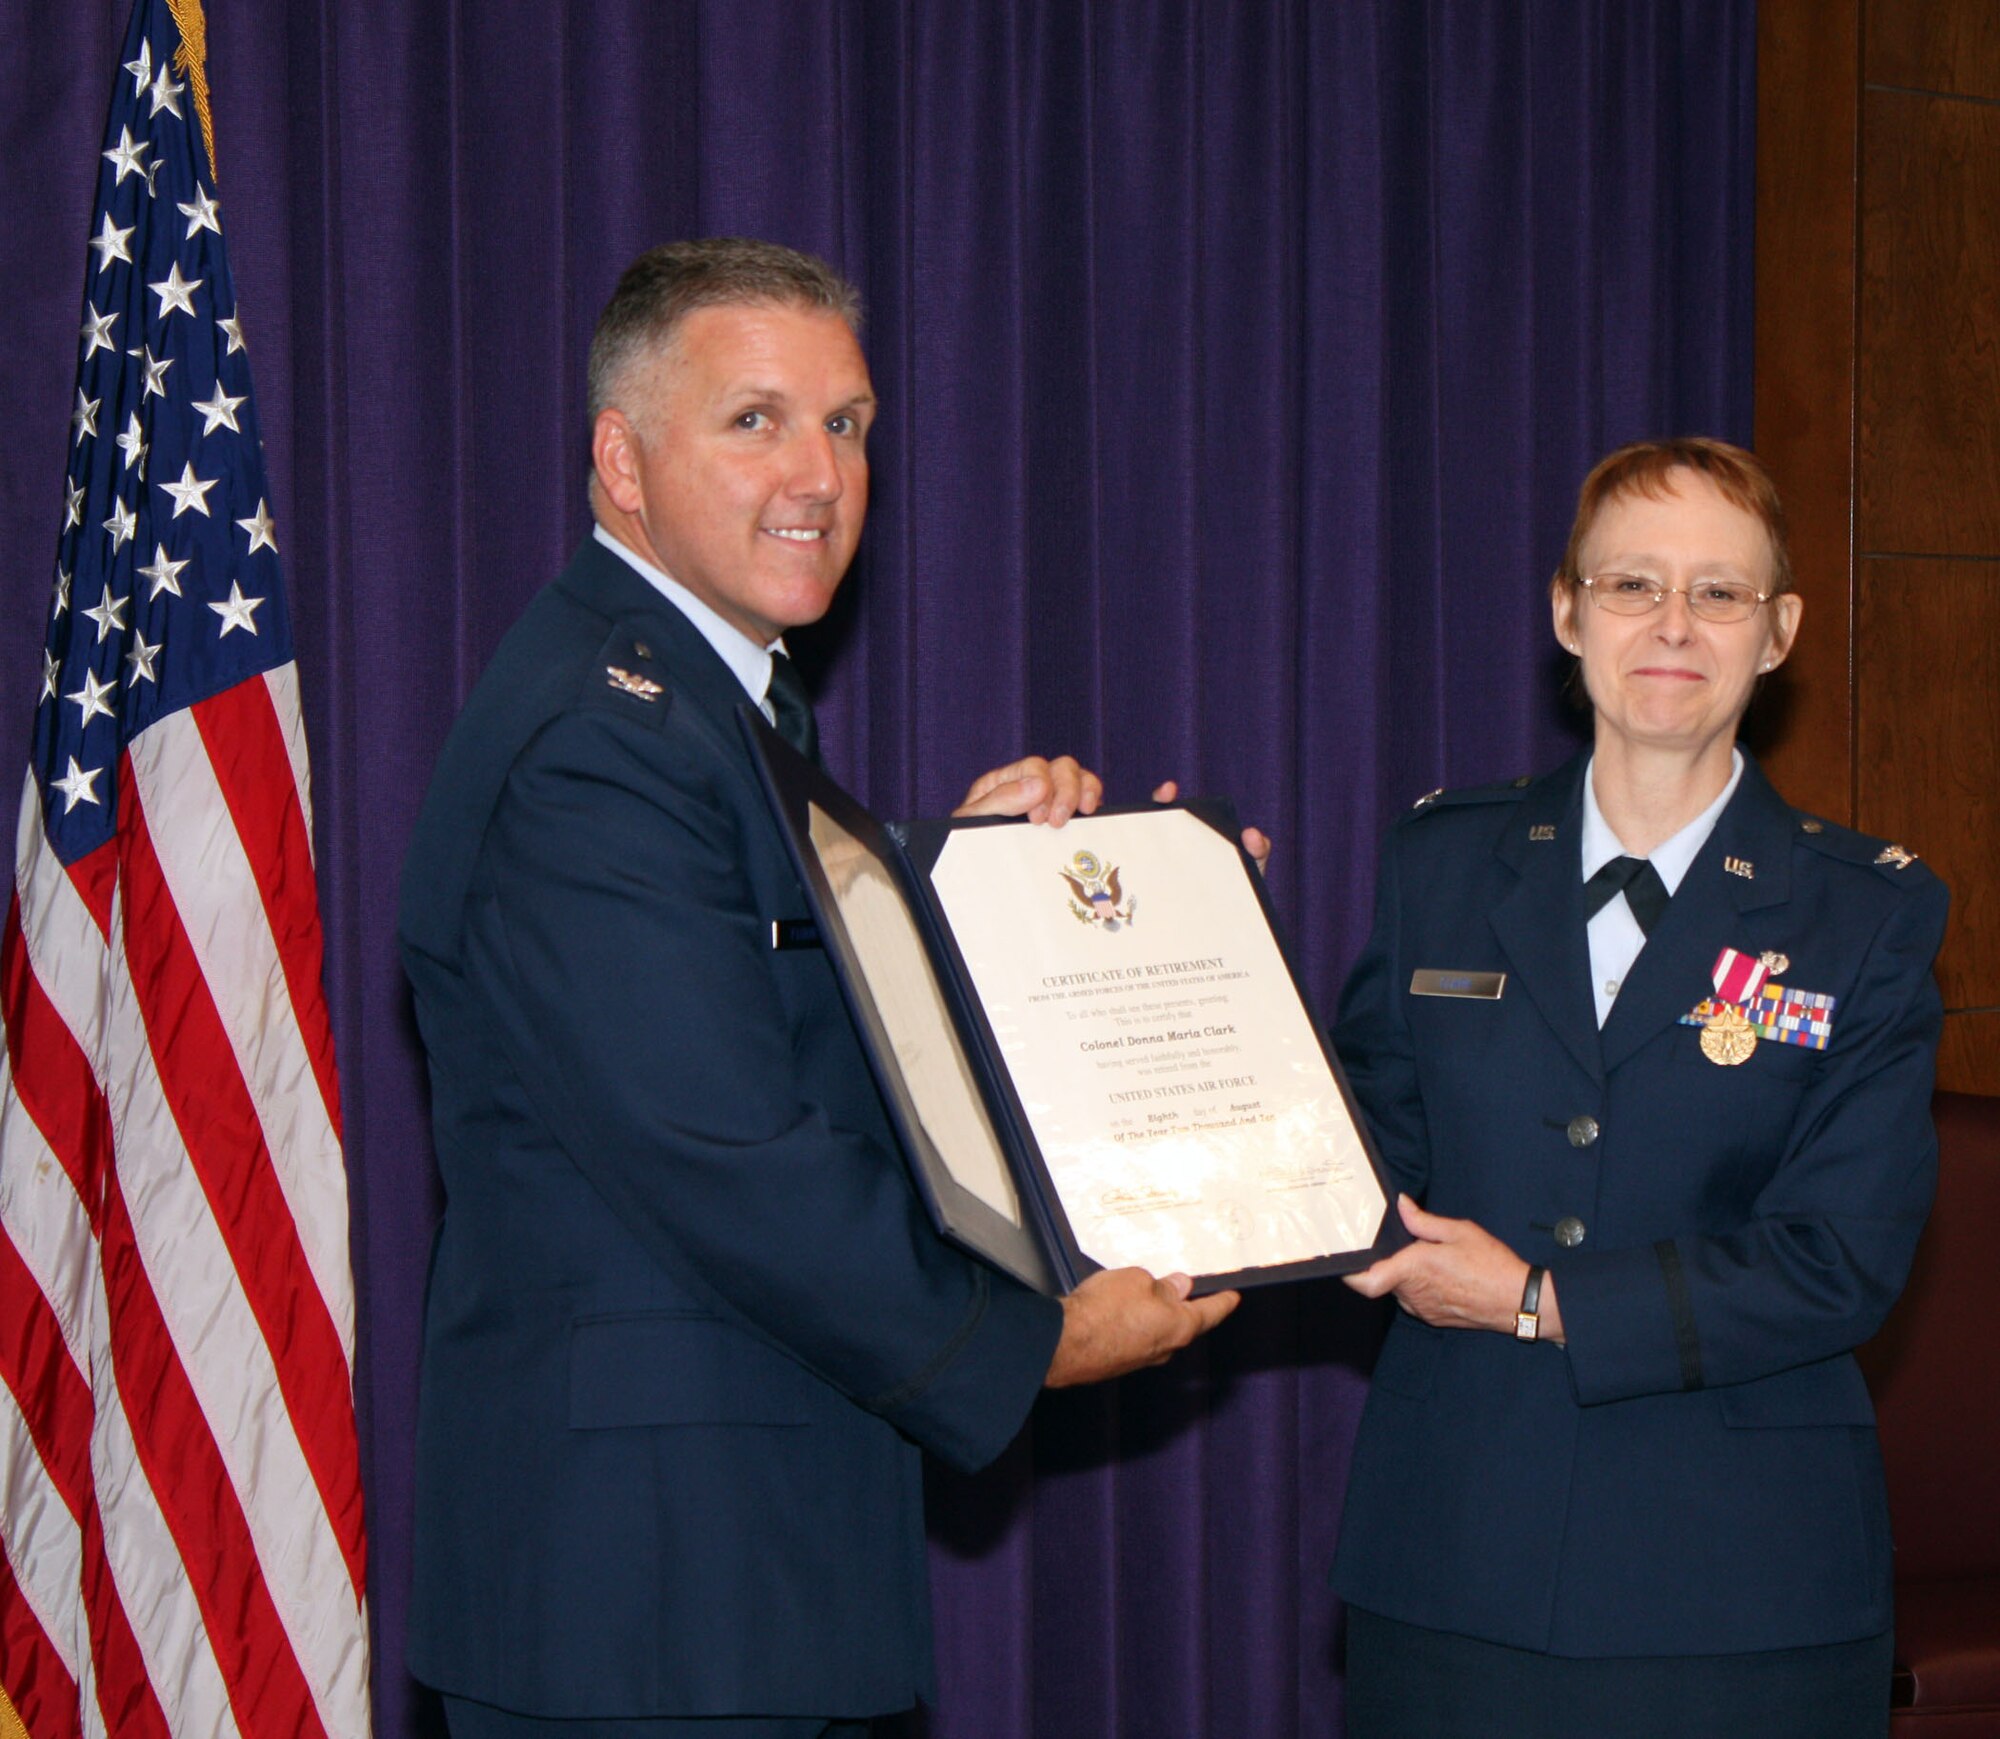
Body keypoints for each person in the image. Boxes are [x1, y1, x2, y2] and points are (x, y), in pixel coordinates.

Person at [397, 238, 1238, 1738]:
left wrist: (993, 905)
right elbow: (732, 1152)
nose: (818, 473)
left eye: (847, 425)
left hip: (732, 1580)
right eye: (755, 420)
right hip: (653, 1610)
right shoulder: (604, 741)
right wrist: (1034, 1343)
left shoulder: (713, 705)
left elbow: (776, 1020)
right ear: (622, 460)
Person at [1330, 438, 1947, 1738]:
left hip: (1736, 1590)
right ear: (1567, 609)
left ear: (1777, 633)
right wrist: (1174, 935)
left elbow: (1841, 1257)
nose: (1674, 624)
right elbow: (1352, 1149)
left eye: (1719, 593)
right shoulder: (1441, 863)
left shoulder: (1863, 916)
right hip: (1456, 1562)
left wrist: (1540, 1300)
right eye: (1631, 586)